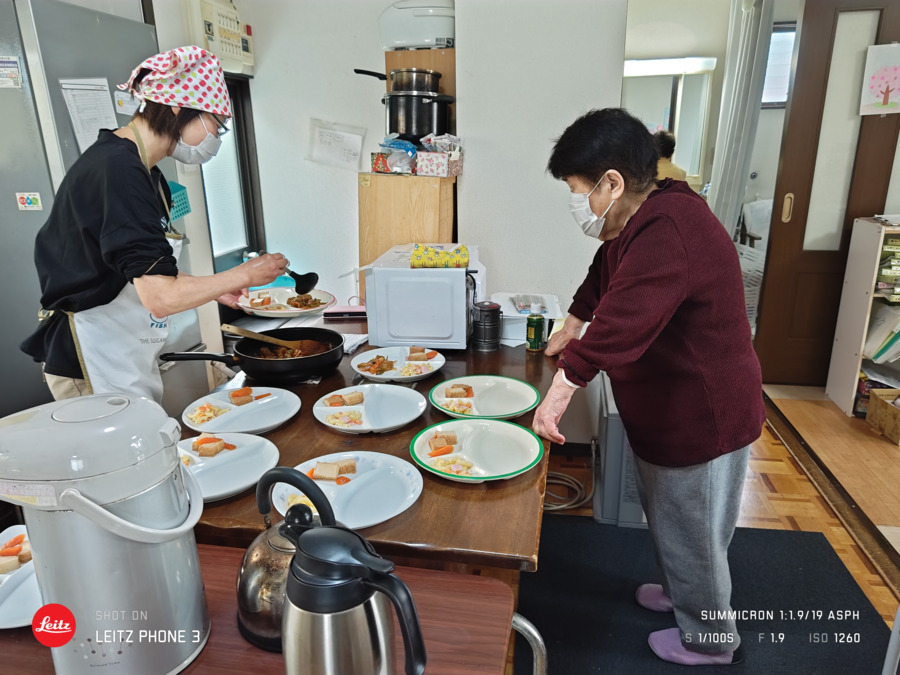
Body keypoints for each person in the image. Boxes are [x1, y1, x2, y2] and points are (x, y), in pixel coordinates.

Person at [532, 108, 764, 666]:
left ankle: (711, 640)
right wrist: (570, 323)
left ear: (612, 182)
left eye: (577, 189)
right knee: (670, 520)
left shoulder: (672, 228)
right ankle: (683, 593)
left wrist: (560, 393)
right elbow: (604, 274)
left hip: (703, 415)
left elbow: (626, 316)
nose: (578, 204)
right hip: (668, 409)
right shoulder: (637, 221)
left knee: (695, 534)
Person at [20, 46, 290, 404]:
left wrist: (214, 288)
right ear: (178, 107)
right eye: (216, 124)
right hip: (91, 357)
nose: (216, 139)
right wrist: (243, 275)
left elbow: (145, 272)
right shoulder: (118, 171)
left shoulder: (143, 170)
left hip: (122, 346)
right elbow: (161, 298)